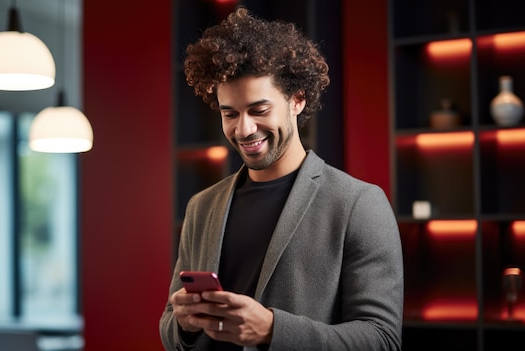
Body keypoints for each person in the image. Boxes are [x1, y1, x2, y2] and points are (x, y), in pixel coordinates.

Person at [159, 7, 403, 351]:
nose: (243, 129)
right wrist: (182, 324)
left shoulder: (359, 204)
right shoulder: (202, 207)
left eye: (259, 110)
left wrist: (273, 330)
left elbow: (382, 340)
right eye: (230, 113)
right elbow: (171, 323)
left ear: (297, 100)